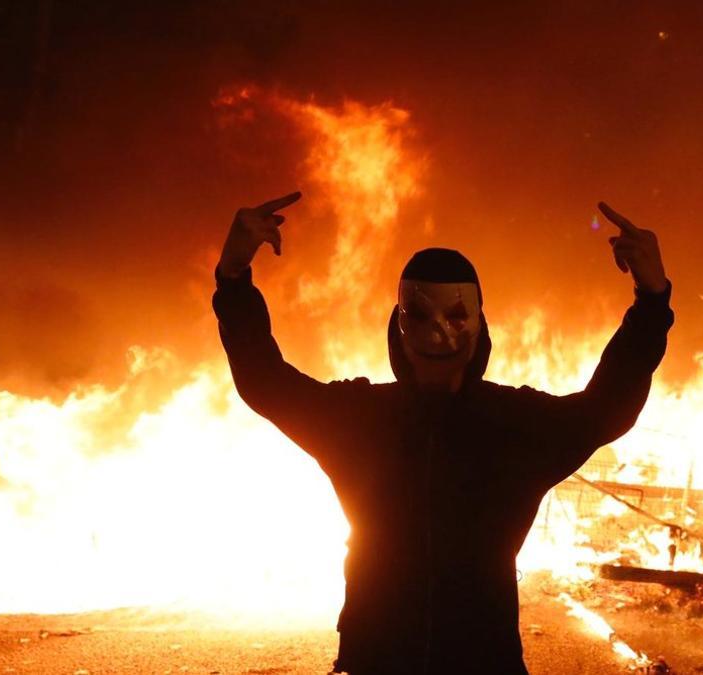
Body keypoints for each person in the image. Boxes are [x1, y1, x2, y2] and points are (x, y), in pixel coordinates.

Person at [212, 192, 674, 675]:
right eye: (421, 315)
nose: (439, 334)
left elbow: (606, 407)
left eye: (455, 316)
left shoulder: (510, 424)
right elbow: (266, 381)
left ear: (477, 323)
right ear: (399, 324)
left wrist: (652, 300)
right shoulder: (361, 418)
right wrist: (233, 278)